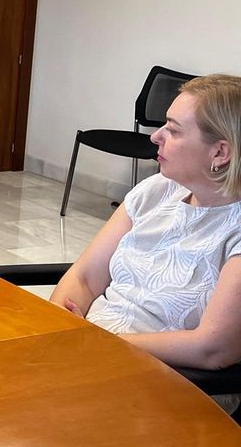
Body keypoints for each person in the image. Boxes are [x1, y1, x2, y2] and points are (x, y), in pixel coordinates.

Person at [50, 74, 241, 411]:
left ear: (220, 152)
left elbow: (212, 349)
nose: (155, 136)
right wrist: (59, 327)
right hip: (90, 350)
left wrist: (99, 342)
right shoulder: (156, 191)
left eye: (173, 130)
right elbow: (84, 278)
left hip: (172, 382)